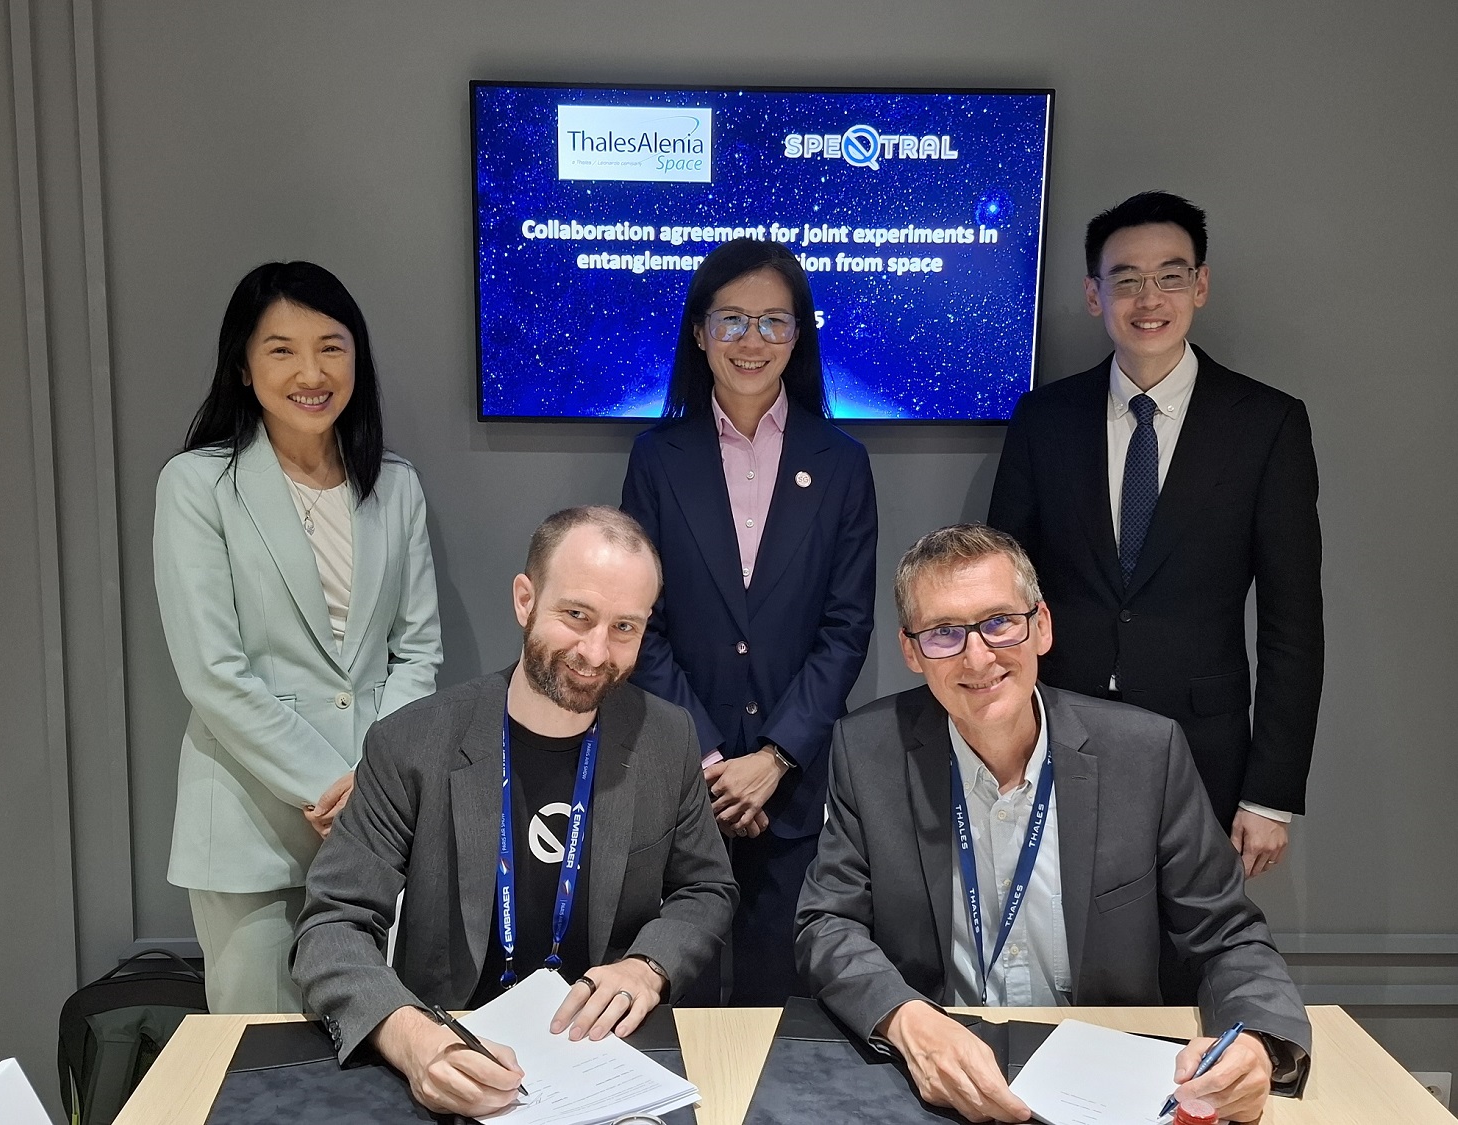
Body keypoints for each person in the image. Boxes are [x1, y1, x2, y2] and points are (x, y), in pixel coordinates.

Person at [795, 525, 1311, 1124]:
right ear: (912, 652)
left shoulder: (1145, 753)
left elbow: (1228, 935)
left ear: (1041, 626)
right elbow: (826, 923)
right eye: (943, 633)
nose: (978, 657)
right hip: (936, 1082)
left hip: (1104, 1081)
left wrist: (1256, 1044)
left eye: (999, 622)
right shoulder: (867, 752)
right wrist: (906, 1021)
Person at [292, 506, 737, 1118]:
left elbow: (707, 888)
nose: (595, 651)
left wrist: (646, 967)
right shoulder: (411, 743)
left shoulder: (666, 738)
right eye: (576, 616)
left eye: (624, 627)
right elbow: (330, 925)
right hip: (454, 1048)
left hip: (605, 1061)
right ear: (525, 600)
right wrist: (413, 1041)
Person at [988, 191, 1323, 878]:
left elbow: (1293, 624)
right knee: (1057, 929)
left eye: (1170, 276)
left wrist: (1271, 792)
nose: (1149, 299)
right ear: (1094, 294)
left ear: (1200, 285)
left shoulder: (1267, 424)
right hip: (1057, 731)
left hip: (1203, 746)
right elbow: (1001, 590)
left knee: (1183, 935)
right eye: (1127, 280)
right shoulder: (1044, 419)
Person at [154, 260, 442, 1013]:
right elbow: (213, 672)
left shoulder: (395, 485)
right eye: (281, 350)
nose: (311, 373)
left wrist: (371, 784)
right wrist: (329, 787)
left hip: (379, 827)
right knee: (265, 1055)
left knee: (380, 1045)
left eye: (331, 347)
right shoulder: (197, 485)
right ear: (243, 367)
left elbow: (417, 652)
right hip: (251, 827)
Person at [620, 238, 877, 1005]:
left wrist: (774, 756)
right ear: (700, 333)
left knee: (783, 1004)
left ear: (799, 335)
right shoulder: (656, 457)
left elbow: (846, 628)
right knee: (679, 997)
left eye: (773, 321)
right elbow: (641, 624)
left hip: (795, 788)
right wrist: (706, 758)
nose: (751, 339)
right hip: (682, 780)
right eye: (731, 319)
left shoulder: (842, 461)